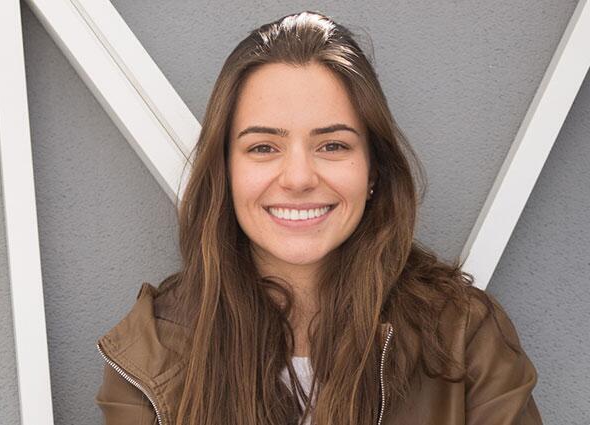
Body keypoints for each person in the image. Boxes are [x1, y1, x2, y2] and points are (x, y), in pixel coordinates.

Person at [94, 10, 543, 425]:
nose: (298, 178)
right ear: (225, 173)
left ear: (373, 170)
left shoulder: (465, 335)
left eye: (332, 145)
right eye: (263, 147)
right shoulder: (149, 353)